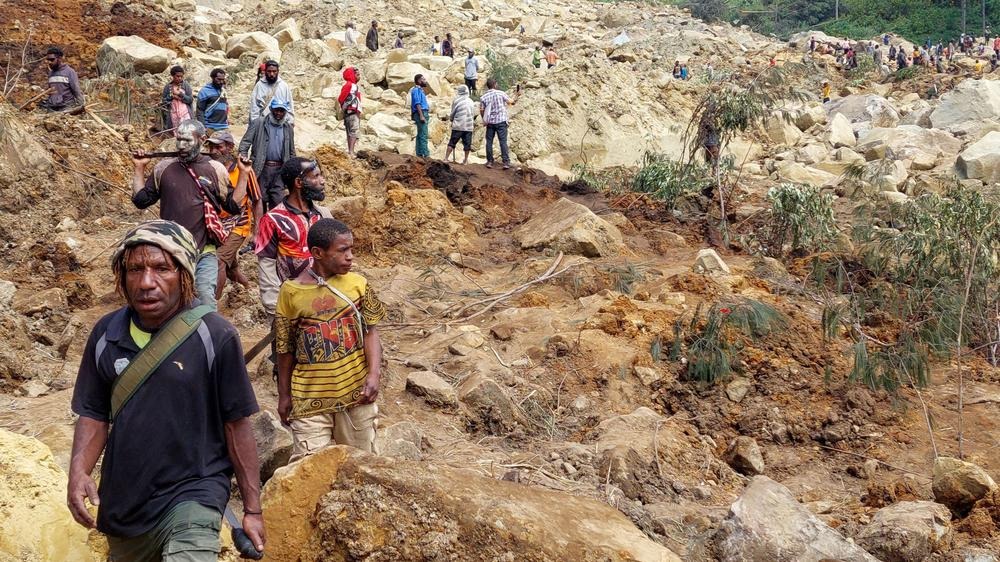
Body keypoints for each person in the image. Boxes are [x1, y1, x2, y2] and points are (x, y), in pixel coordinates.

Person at [68, 220, 265, 560]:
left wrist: (253, 509)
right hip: (126, 507)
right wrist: (78, 472)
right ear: (122, 276)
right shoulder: (105, 334)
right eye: (135, 269)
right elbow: (95, 414)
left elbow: (237, 425)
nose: (147, 282)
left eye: (162, 269)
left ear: (185, 275)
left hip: (195, 493)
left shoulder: (214, 335)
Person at [275, 218, 386, 459]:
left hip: (356, 395)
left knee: (362, 465)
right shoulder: (291, 292)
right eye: (343, 250)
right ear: (318, 253)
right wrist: (284, 395)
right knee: (307, 469)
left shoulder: (358, 285)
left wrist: (374, 374)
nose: (350, 256)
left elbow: (370, 332)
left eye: (352, 249)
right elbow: (285, 349)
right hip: (309, 399)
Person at [132, 120, 248, 310]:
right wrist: (139, 168)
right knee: (173, 304)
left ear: (202, 140)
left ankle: (208, 338)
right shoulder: (163, 168)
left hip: (204, 251)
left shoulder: (215, 169)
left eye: (187, 140)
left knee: (205, 300)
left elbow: (233, 206)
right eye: (179, 140)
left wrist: (244, 174)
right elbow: (141, 200)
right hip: (171, 253)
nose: (181, 146)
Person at [255, 158, 332, 380]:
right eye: (316, 176)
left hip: (324, 301)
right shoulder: (274, 219)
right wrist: (274, 308)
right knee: (287, 361)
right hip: (289, 304)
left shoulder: (324, 215)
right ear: (299, 182)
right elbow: (267, 264)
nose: (322, 181)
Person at [206, 131, 262, 300]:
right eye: (211, 147)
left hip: (238, 224)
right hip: (216, 225)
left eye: (219, 147)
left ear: (229, 148)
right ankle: (249, 291)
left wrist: (257, 231)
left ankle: (211, 308)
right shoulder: (208, 168)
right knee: (231, 269)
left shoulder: (243, 170)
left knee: (218, 261)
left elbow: (257, 200)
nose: (214, 151)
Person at [240, 99, 296, 211]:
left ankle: (273, 225)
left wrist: (293, 169)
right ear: (271, 109)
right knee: (260, 199)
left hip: (280, 170)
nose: (279, 113)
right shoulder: (258, 123)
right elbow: (245, 143)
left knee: (278, 200)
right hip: (261, 167)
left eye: (282, 111)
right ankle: (260, 226)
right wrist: (243, 158)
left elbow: (291, 151)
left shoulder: (288, 128)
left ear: (285, 112)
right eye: (276, 110)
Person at [479, 77, 519, 170]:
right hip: (501, 121)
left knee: (489, 142)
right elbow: (511, 102)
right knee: (503, 142)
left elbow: (481, 110)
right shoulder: (501, 93)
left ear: (488, 86)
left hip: (490, 122)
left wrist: (484, 119)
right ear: (495, 84)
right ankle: (505, 162)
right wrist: (517, 95)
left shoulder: (483, 97)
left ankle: (489, 161)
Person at [40, 46, 84, 111]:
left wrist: (81, 105)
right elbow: (51, 92)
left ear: (60, 58)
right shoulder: (51, 74)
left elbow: (76, 90)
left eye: (52, 59)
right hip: (53, 107)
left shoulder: (70, 72)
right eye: (48, 60)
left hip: (66, 107)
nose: (49, 62)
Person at [445, 84, 475, 164]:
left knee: (452, 143)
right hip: (468, 126)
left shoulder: (456, 101)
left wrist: (451, 119)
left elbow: (453, 112)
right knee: (467, 144)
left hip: (458, 125)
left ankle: (446, 158)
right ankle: (465, 160)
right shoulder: (471, 101)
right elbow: (472, 114)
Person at [338, 66, 363, 157]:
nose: (359, 77)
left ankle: (350, 151)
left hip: (350, 112)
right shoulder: (350, 85)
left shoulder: (352, 86)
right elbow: (341, 98)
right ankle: (351, 151)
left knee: (350, 131)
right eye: (357, 75)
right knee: (354, 131)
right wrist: (347, 107)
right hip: (351, 112)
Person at [160, 66, 193, 134]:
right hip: (173, 113)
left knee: (187, 131)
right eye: (177, 76)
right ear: (173, 75)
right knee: (175, 132)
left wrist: (180, 94)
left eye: (181, 76)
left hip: (185, 113)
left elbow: (190, 100)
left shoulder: (186, 86)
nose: (179, 78)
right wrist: (171, 96)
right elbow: (164, 101)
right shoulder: (168, 87)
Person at [196, 68, 230, 133]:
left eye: (223, 79)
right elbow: (200, 111)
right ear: (212, 78)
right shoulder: (204, 91)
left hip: (224, 126)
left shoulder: (223, 91)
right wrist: (203, 127)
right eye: (219, 79)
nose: (221, 82)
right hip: (210, 127)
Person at [409, 74, 431, 158]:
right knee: (423, 134)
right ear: (419, 81)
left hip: (422, 113)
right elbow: (417, 103)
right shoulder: (416, 90)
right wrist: (421, 115)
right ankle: (425, 154)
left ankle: (419, 153)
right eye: (423, 79)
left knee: (420, 134)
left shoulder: (420, 90)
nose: (425, 81)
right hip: (421, 113)